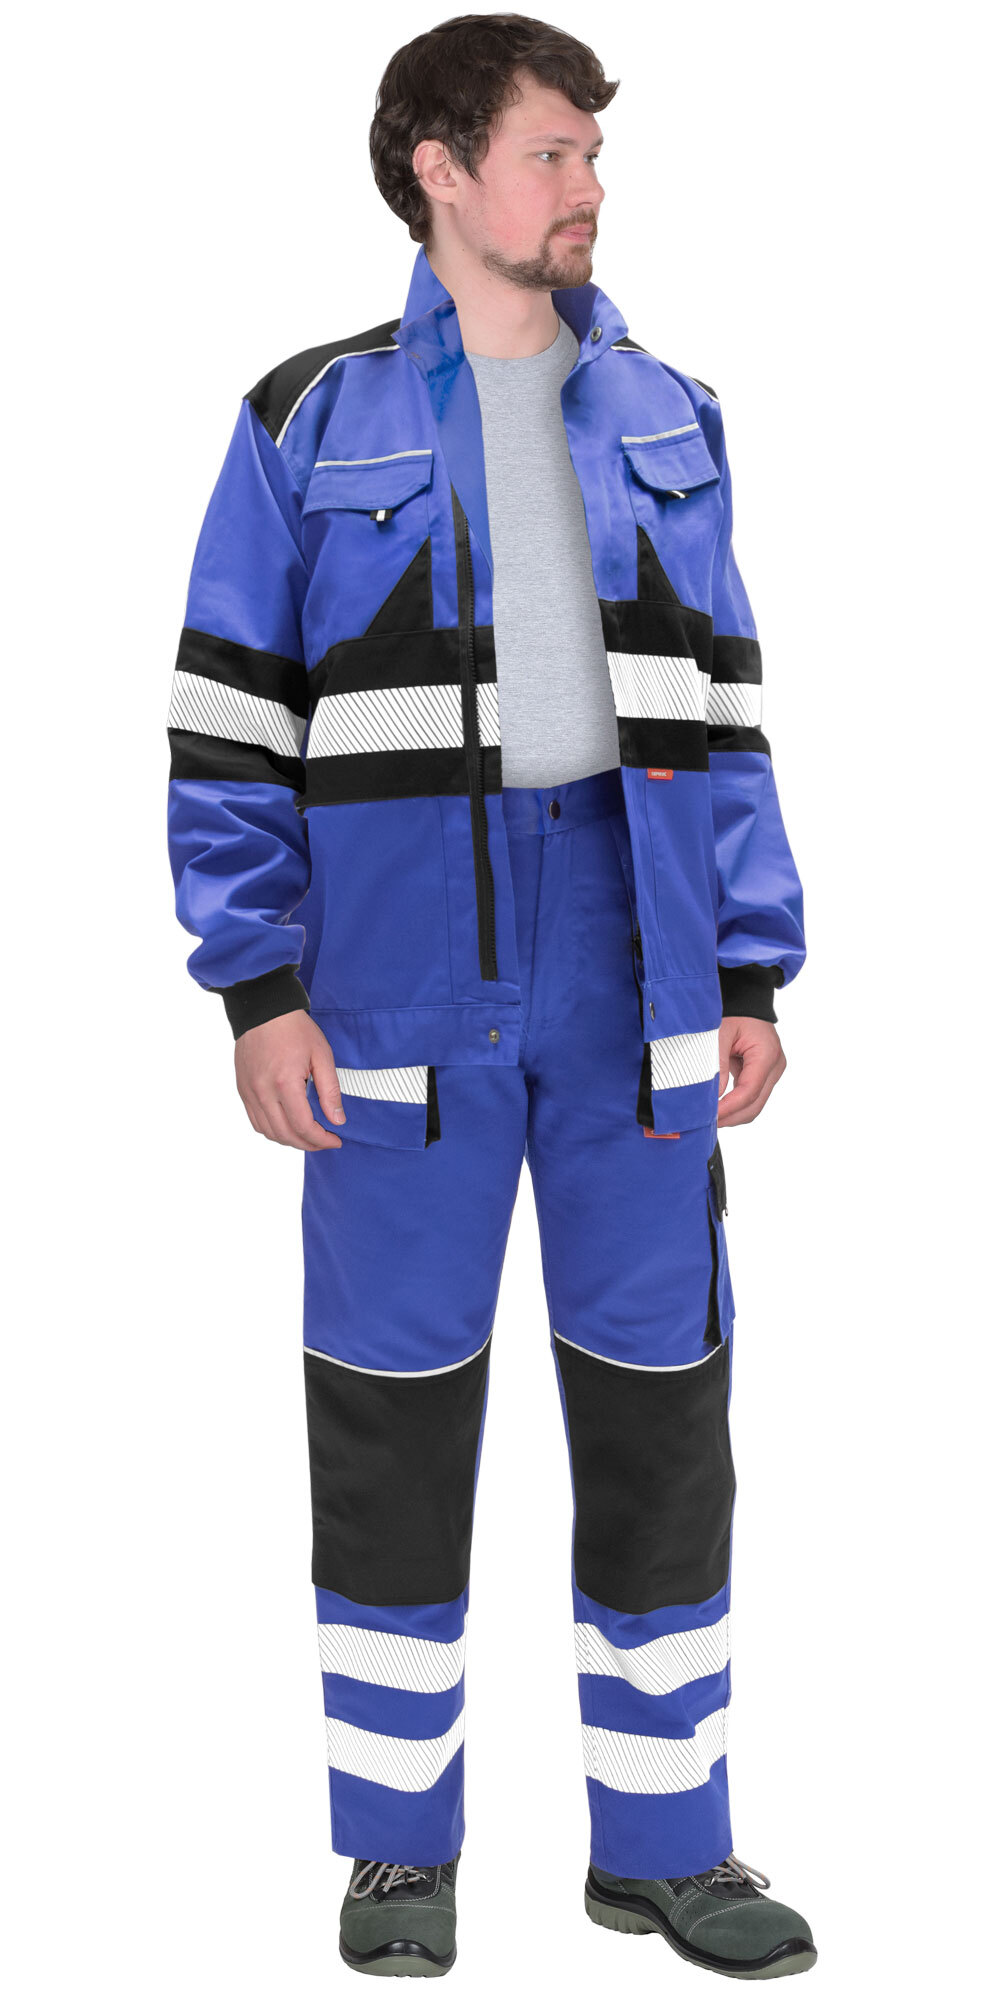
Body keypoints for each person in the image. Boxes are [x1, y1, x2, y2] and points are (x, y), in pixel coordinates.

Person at [166, 12, 812, 1982]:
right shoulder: (307, 417)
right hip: (392, 992)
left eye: (592, 155)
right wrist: (256, 985)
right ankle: (396, 1849)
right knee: (391, 1411)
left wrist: (751, 961)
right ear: (437, 168)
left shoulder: (672, 411)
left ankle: (668, 1846)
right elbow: (225, 721)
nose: (587, 186)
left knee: (660, 1410)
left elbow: (726, 707)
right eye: (552, 152)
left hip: (634, 970)